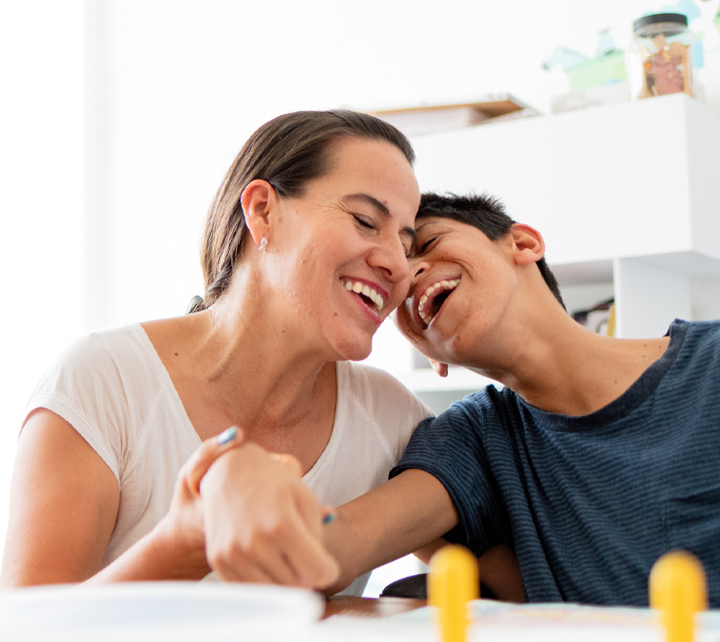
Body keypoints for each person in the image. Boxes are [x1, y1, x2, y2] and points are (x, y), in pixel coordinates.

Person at [200, 190, 720, 607]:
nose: (412, 274)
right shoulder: (472, 440)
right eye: (400, 293)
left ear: (523, 243)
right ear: (433, 357)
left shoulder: (711, 361)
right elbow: (329, 547)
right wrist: (233, 480)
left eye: (425, 243)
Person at [0, 109, 431, 595]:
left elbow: (510, 565)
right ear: (263, 210)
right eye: (365, 220)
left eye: (407, 242)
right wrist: (182, 544)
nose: (397, 264)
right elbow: (21, 641)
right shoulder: (101, 381)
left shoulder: (390, 418)